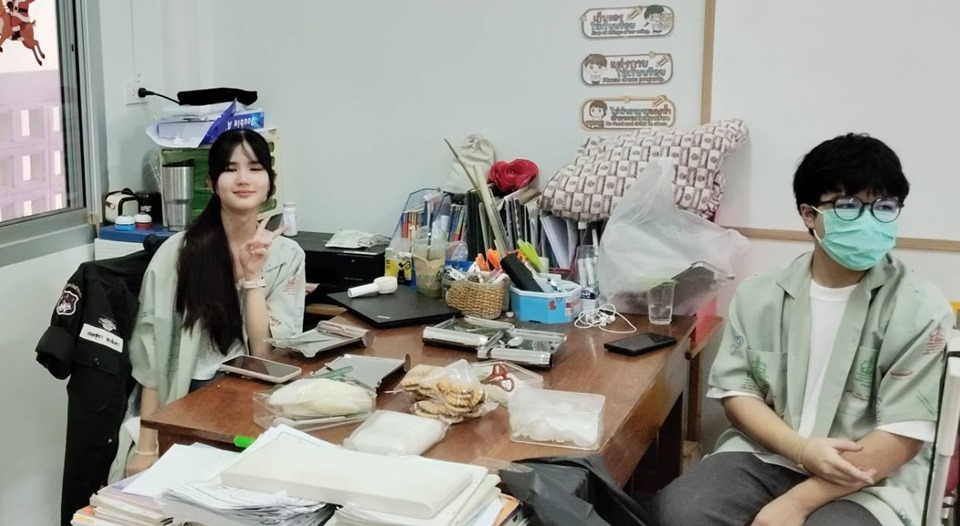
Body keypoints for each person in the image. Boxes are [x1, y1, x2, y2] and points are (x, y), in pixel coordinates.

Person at [654, 133, 954, 526]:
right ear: (809, 215)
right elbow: (738, 392)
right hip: (769, 454)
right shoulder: (760, 294)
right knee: (681, 511)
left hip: (870, 477)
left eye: (883, 206)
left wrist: (795, 504)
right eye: (848, 206)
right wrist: (799, 449)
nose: (868, 220)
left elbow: (903, 435)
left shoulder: (920, 309)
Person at [120, 128, 305, 477]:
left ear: (270, 183)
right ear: (212, 182)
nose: (243, 179)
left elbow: (266, 355)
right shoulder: (177, 253)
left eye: (254, 168)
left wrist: (253, 277)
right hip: (184, 398)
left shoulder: (287, 255)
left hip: (251, 399)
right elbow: (151, 358)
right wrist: (147, 448)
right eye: (230, 169)